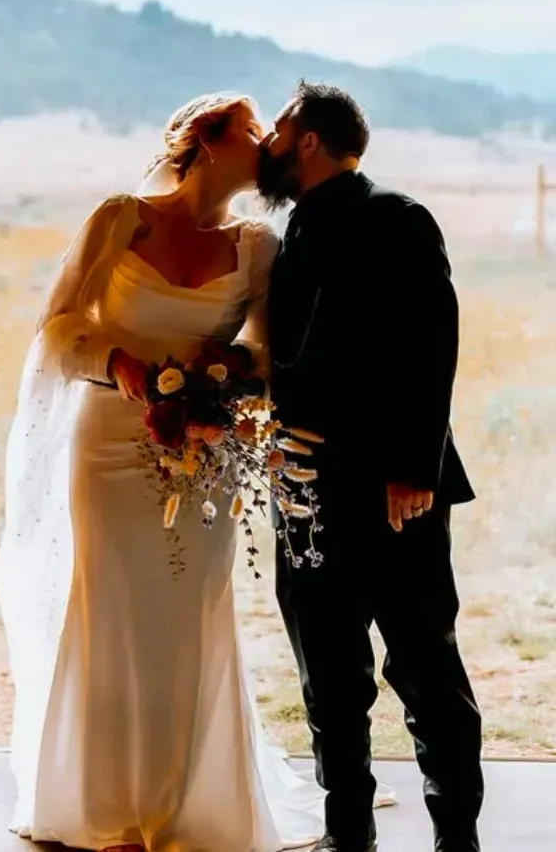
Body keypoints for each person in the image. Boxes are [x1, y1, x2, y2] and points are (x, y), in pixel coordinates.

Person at [0, 92, 393, 852]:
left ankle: (183, 801)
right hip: (106, 442)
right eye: (251, 130)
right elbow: (57, 329)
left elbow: (267, 351)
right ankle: (109, 803)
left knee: (189, 613)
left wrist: (224, 369)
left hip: (202, 450)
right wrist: (119, 364)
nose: (266, 143)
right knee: (110, 608)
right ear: (209, 142)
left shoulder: (256, 246)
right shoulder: (122, 219)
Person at [259, 81, 484, 852]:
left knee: (424, 667)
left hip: (395, 492)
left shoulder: (398, 216)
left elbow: (433, 343)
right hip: (304, 493)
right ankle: (347, 836)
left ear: (308, 140)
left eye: (278, 129)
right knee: (328, 674)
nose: (267, 144)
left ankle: (458, 838)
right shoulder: (289, 230)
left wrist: (414, 468)